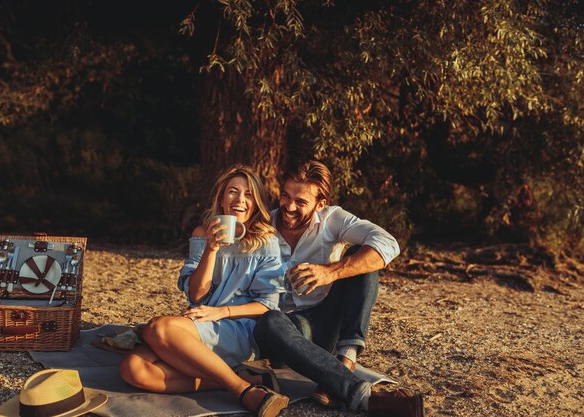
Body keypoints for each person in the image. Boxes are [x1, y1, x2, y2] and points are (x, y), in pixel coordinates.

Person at [249, 160, 424, 416]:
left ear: (320, 204)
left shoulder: (332, 219)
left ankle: (346, 360)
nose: (288, 206)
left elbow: (388, 243)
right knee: (269, 320)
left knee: (363, 259)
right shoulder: (263, 225)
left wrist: (330, 271)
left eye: (301, 202)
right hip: (285, 333)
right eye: (285, 196)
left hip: (324, 323)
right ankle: (360, 395)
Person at [119, 165, 289, 417]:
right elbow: (196, 295)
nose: (240, 200)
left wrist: (221, 312)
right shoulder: (202, 235)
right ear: (221, 198)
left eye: (248, 194)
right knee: (132, 369)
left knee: (157, 328)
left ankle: (241, 390)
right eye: (233, 191)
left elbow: (267, 305)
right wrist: (211, 249)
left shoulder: (267, 242)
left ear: (257, 202)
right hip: (201, 318)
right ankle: (239, 377)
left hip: (240, 326)